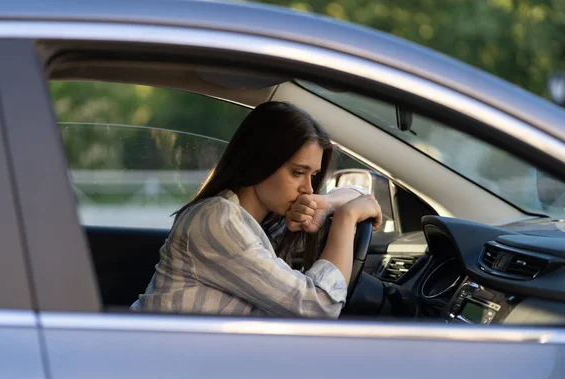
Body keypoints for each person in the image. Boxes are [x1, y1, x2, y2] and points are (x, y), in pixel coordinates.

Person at [131, 101, 382, 318]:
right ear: (260, 162)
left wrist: (326, 204)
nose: (308, 188)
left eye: (313, 175)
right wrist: (346, 219)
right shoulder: (218, 219)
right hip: (161, 364)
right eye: (297, 173)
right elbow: (318, 306)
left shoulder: (264, 219)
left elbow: (360, 196)